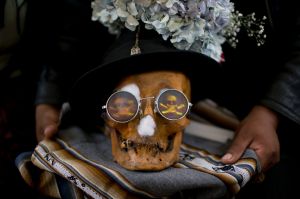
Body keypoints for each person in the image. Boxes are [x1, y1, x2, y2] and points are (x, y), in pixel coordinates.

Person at [32, 0, 299, 198]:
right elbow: (69, 12)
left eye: (170, 105)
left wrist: (272, 110)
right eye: (124, 105)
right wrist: (49, 93)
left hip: (244, 100)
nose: (146, 127)